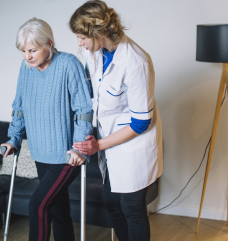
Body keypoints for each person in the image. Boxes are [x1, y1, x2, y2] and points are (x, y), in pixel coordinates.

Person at [69, 1, 163, 241]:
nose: (79, 43)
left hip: (134, 144)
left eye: (82, 37)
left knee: (132, 207)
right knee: (111, 201)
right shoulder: (96, 54)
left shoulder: (135, 61)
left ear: (98, 32)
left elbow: (141, 122)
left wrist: (98, 145)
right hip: (112, 143)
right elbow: (96, 95)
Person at [0, 17, 93, 241]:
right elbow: (19, 107)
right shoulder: (26, 68)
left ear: (49, 43)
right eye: (23, 51)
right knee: (57, 210)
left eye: (32, 50)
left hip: (67, 155)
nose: (27, 56)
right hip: (40, 152)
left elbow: (84, 109)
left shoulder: (69, 64)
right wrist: (13, 138)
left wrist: (79, 149)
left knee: (37, 205)